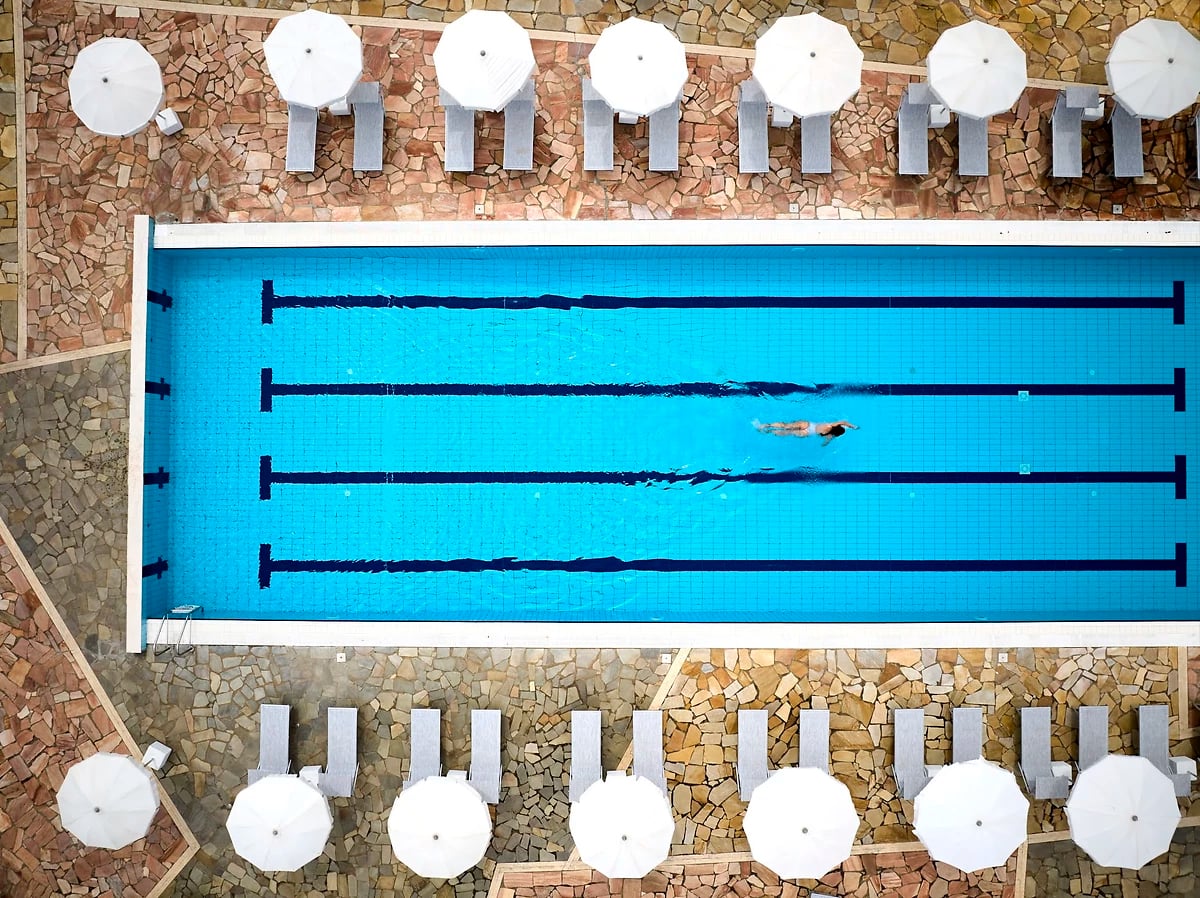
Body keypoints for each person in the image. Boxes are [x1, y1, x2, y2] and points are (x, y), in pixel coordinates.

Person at [755, 418, 858, 445]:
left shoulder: (830, 425)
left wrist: (853, 426)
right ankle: (768, 432)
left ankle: (765, 425)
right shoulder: (830, 436)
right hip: (808, 433)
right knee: (788, 432)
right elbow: (824, 444)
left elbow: (843, 421)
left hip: (808, 424)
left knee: (786, 426)